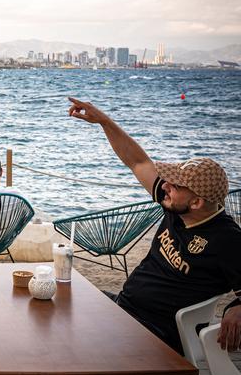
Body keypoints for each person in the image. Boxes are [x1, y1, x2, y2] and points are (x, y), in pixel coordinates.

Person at [68, 97, 240, 353]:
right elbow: (138, 162)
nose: (166, 186)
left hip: (156, 333)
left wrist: (236, 308)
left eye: (175, 185)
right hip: (124, 309)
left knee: (63, 341)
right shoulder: (175, 207)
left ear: (196, 202)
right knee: (53, 308)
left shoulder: (227, 239)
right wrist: (103, 121)